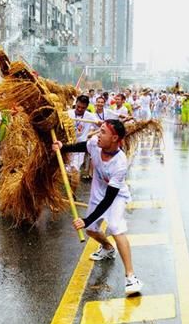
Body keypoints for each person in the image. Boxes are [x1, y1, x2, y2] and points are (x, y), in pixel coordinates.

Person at [52, 120, 143, 296]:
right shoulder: (95, 144)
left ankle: (131, 277)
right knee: (91, 231)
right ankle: (108, 248)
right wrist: (63, 147)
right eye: (98, 131)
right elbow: (82, 146)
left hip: (115, 196)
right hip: (97, 191)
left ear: (115, 138)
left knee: (116, 227)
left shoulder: (120, 163)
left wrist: (86, 219)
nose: (97, 135)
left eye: (102, 132)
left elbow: (109, 199)